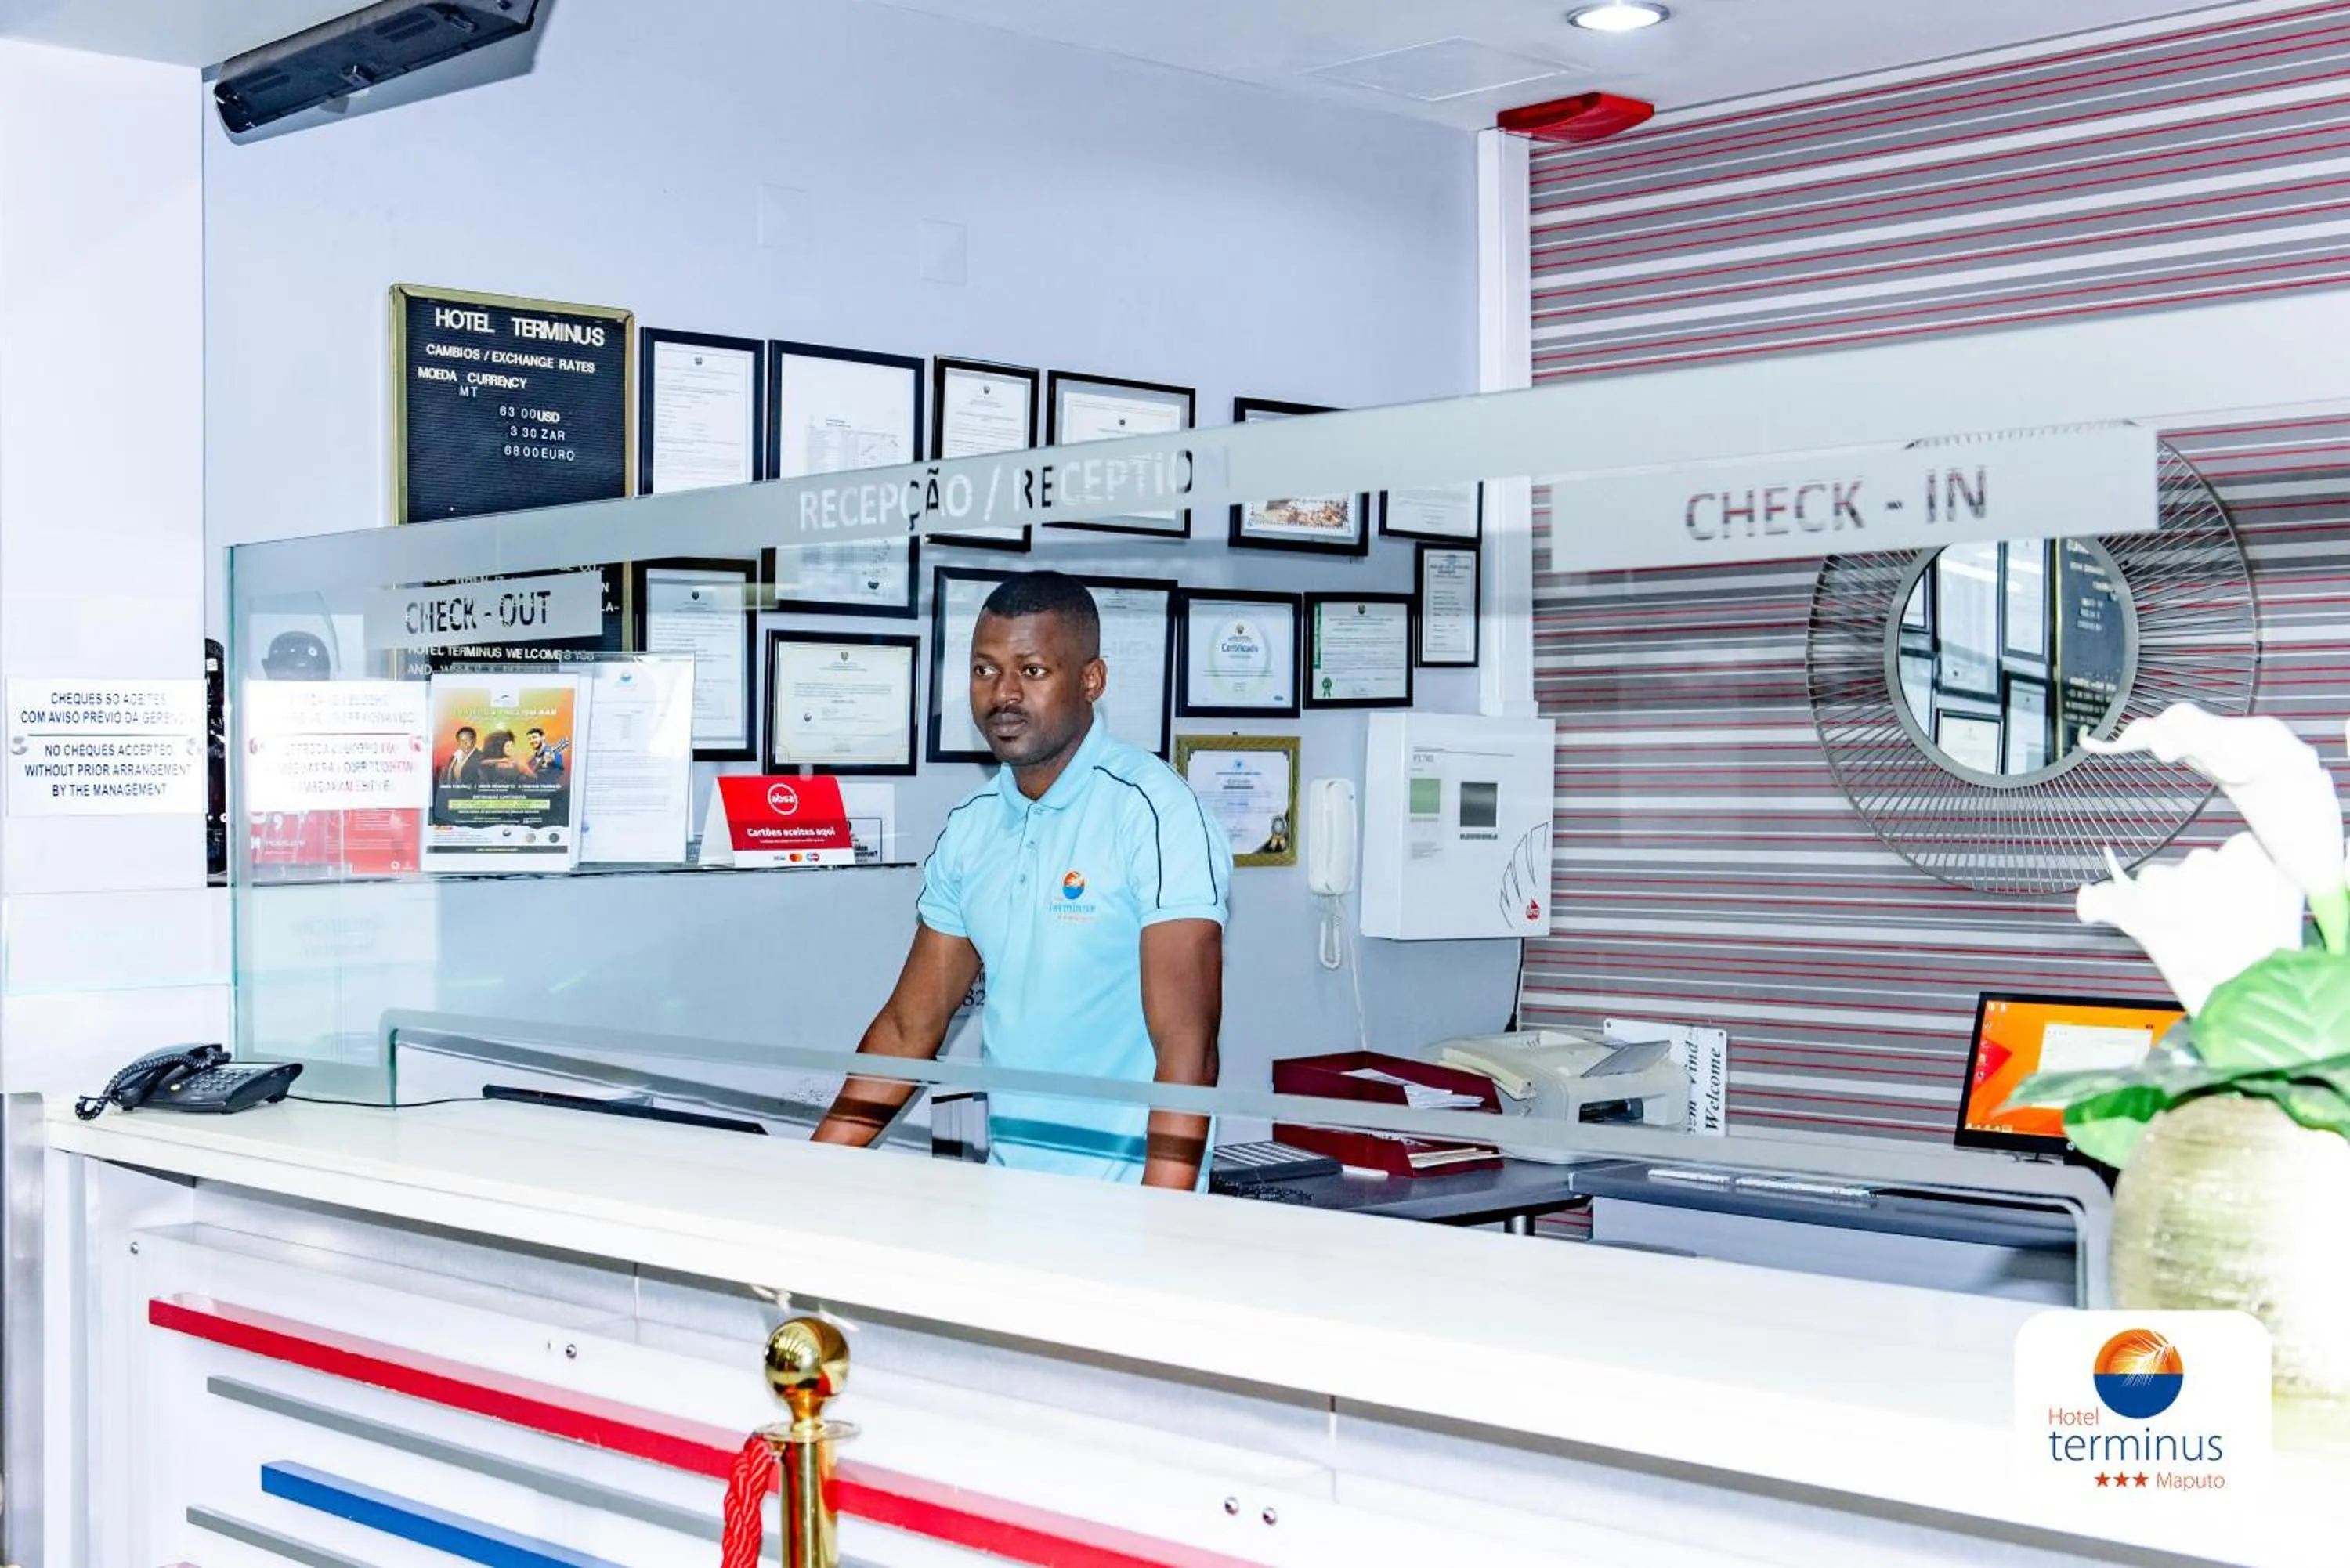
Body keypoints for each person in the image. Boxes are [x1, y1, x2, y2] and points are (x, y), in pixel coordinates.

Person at [813, 572, 1232, 1187]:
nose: (1003, 694)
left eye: (1032, 671)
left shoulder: (1157, 814)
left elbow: (1188, 1053)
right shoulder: (973, 828)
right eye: (985, 670)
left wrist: (1160, 1226)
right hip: (1013, 1199)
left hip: (1129, 1216)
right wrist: (803, 1174)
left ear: (1091, 680)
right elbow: (908, 1030)